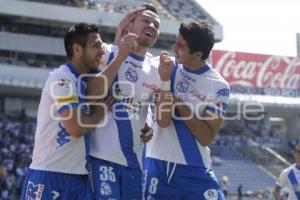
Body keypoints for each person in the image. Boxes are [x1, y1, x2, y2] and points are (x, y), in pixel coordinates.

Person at [20, 23, 132, 199]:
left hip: (80, 178)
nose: (101, 52)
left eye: (102, 46)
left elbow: (107, 74)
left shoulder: (86, 81)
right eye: (96, 46)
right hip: (49, 174)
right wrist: (99, 113)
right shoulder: (61, 79)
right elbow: (76, 128)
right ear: (77, 49)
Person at [144, 21, 230, 199]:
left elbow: (206, 137)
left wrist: (180, 105)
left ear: (198, 54)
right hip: (156, 162)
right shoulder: (165, 66)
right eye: (176, 41)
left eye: (181, 45)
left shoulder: (219, 85)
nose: (173, 47)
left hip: (194, 166)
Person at [86, 4, 161, 200]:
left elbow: (150, 108)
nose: (152, 26)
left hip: (134, 164)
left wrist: (149, 125)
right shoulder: (106, 52)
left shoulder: (156, 68)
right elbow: (91, 93)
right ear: (128, 25)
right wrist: (120, 56)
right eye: (146, 20)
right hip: (101, 158)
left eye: (156, 24)